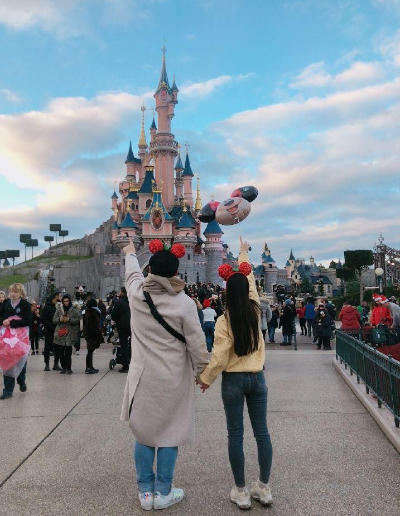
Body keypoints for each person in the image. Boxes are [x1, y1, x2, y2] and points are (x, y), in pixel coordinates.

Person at [120, 239, 208, 511]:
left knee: (144, 433)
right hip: (173, 377)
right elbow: (197, 343)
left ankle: (145, 493)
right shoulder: (184, 303)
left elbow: (132, 274)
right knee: (170, 433)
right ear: (175, 273)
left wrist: (131, 253)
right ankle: (163, 491)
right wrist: (202, 372)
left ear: (150, 270)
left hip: (142, 376)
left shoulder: (136, 294)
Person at [197, 237, 273, 510]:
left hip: (233, 380)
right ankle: (263, 487)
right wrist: (243, 253)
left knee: (235, 435)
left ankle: (241, 491)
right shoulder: (255, 311)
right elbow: (249, 281)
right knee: (262, 432)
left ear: (227, 292)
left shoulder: (224, 320)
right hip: (257, 378)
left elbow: (219, 356)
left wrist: (206, 379)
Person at [0, 283, 31, 399]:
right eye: (11, 291)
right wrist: (3, 321)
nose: (13, 294)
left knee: (20, 359)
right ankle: (8, 391)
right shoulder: (6, 303)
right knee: (7, 359)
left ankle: (21, 379)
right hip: (6, 336)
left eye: (16, 292)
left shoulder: (25, 305)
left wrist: (12, 322)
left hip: (21, 336)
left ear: (21, 293)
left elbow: (28, 320)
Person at [53, 294, 81, 374]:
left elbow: (78, 319)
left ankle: (68, 368)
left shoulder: (74, 309)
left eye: (67, 301)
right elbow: (54, 319)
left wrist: (69, 319)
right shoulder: (59, 309)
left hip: (70, 332)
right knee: (61, 352)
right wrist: (60, 319)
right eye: (64, 301)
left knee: (68, 351)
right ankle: (63, 367)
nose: (66, 303)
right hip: (61, 332)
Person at [40, 290, 62, 371]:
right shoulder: (47, 307)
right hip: (49, 330)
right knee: (47, 347)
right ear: (56, 296)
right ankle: (47, 364)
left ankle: (56, 364)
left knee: (57, 347)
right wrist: (50, 326)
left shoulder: (59, 306)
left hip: (57, 330)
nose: (60, 297)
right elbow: (42, 318)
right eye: (59, 296)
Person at [112, 287, 131, 372]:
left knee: (123, 345)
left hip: (122, 326)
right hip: (131, 325)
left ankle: (125, 365)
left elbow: (114, 315)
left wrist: (115, 319)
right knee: (131, 344)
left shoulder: (118, 302)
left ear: (122, 292)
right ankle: (131, 361)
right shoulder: (130, 301)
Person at [83, 299, 104, 374]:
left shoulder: (86, 311)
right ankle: (88, 367)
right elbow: (94, 325)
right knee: (90, 351)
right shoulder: (93, 312)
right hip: (92, 334)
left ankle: (90, 367)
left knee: (90, 351)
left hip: (88, 334)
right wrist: (99, 332)